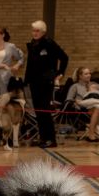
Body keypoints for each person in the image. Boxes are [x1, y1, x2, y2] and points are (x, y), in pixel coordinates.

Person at [24, 20, 69, 148]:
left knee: (44, 110)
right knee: (38, 111)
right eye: (33, 30)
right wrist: (26, 80)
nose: (35, 33)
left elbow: (64, 57)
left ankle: (51, 139)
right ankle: (43, 137)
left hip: (46, 82)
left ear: (43, 32)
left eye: (37, 31)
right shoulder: (33, 44)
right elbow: (31, 65)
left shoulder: (49, 43)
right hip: (34, 82)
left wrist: (59, 73)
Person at [65, 67, 99, 142]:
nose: (89, 75)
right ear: (80, 76)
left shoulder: (95, 84)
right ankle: (91, 135)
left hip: (98, 105)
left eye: (90, 73)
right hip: (82, 109)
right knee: (97, 109)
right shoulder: (75, 86)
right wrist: (75, 102)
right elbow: (68, 99)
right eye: (86, 74)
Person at [0, 26, 24, 98]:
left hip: (7, 78)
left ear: (2, 35)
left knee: (5, 104)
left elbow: (21, 57)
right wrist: (0, 65)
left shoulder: (11, 46)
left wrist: (17, 65)